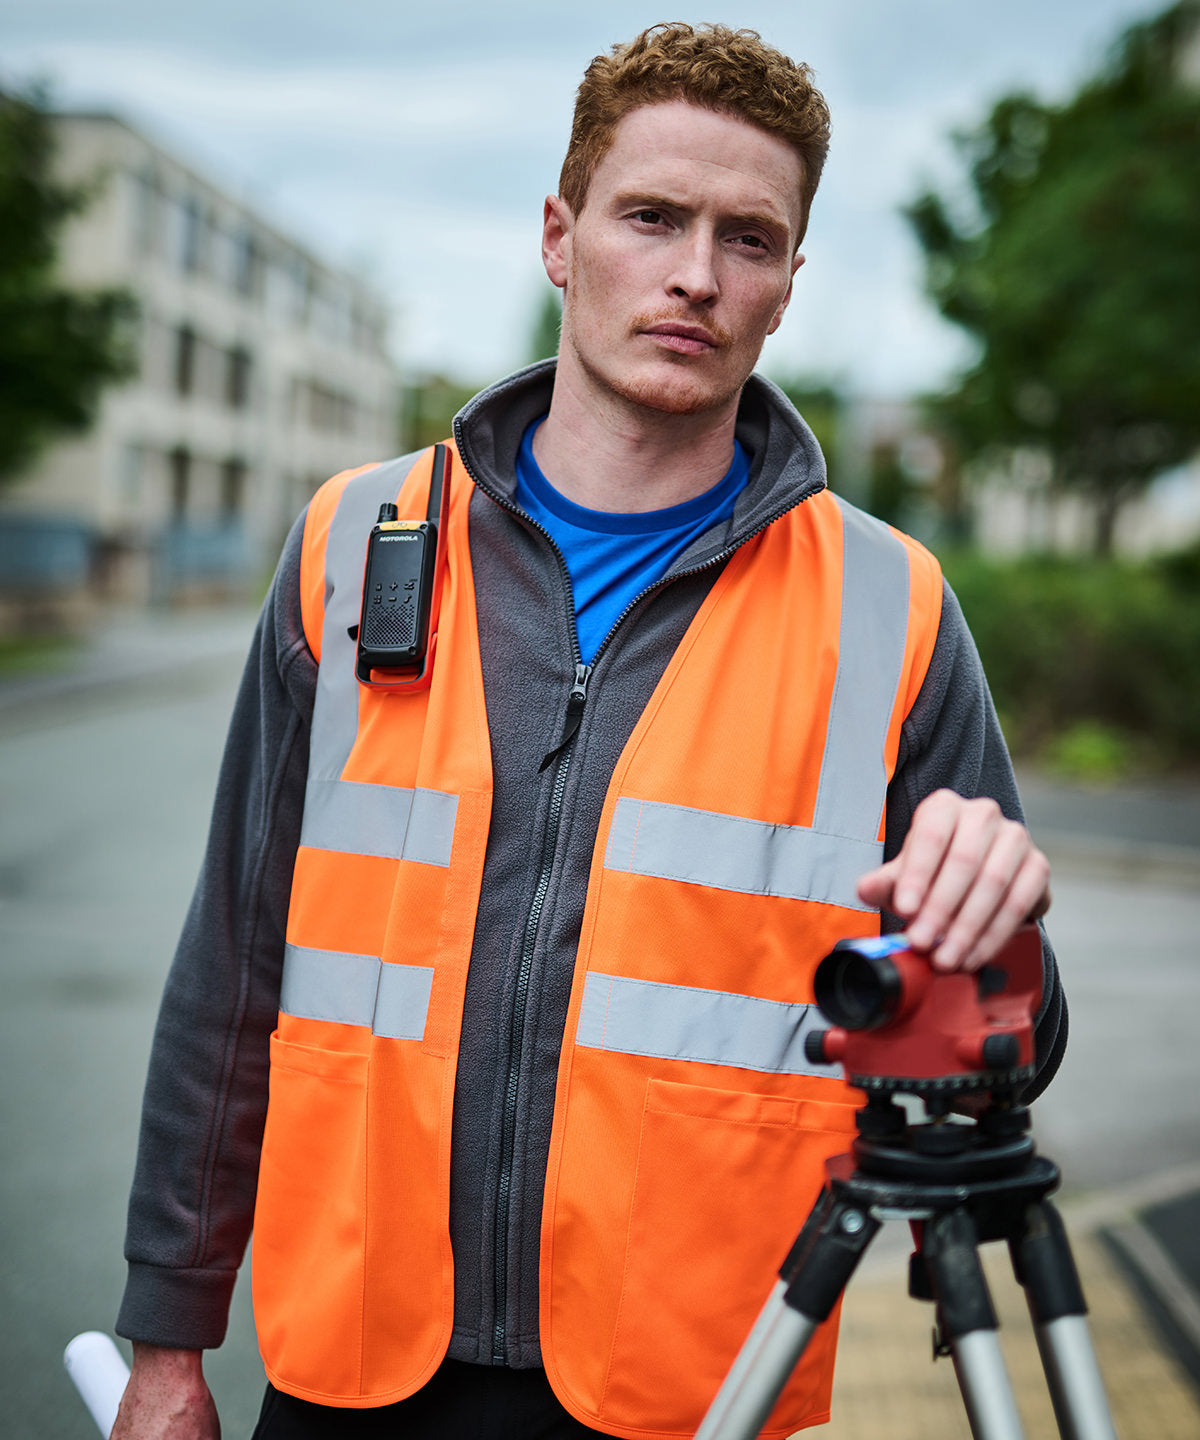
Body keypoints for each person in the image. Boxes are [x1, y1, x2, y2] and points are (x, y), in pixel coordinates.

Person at [112, 23, 1064, 1440]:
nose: (696, 273)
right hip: (353, 1367)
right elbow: (235, 964)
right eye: (652, 217)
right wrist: (169, 1340)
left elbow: (1013, 1048)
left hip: (694, 1389)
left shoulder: (893, 609)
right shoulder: (353, 542)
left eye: (750, 237)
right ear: (560, 238)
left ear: (789, 285)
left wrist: (994, 928)